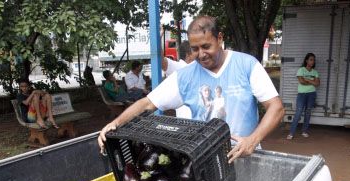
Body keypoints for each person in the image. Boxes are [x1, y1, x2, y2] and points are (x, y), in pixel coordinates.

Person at [99, 15, 284, 163]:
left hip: (246, 157)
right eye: (195, 49)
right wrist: (116, 123)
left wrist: (252, 140)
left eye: (206, 46)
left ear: (219, 38)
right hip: (205, 160)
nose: (201, 54)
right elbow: (148, 103)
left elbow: (276, 108)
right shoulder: (185, 76)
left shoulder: (246, 65)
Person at [287, 53, 320, 140]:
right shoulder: (301, 70)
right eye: (311, 59)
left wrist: (307, 79)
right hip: (302, 94)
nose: (312, 61)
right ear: (306, 60)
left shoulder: (315, 72)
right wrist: (312, 81)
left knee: (308, 112)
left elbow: (317, 84)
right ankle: (291, 133)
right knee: (298, 112)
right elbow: (302, 82)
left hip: (312, 94)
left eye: (313, 60)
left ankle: (304, 131)